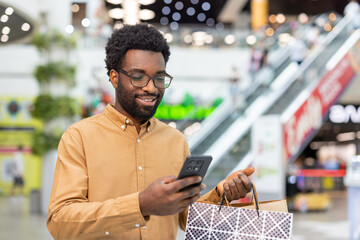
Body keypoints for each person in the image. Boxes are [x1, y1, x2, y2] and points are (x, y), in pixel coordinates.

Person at [47, 23, 254, 240]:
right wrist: (140, 205)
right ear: (115, 77)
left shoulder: (176, 141)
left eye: (159, 78)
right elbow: (61, 223)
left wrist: (221, 194)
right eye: (138, 76)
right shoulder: (79, 137)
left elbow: (186, 218)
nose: (151, 88)